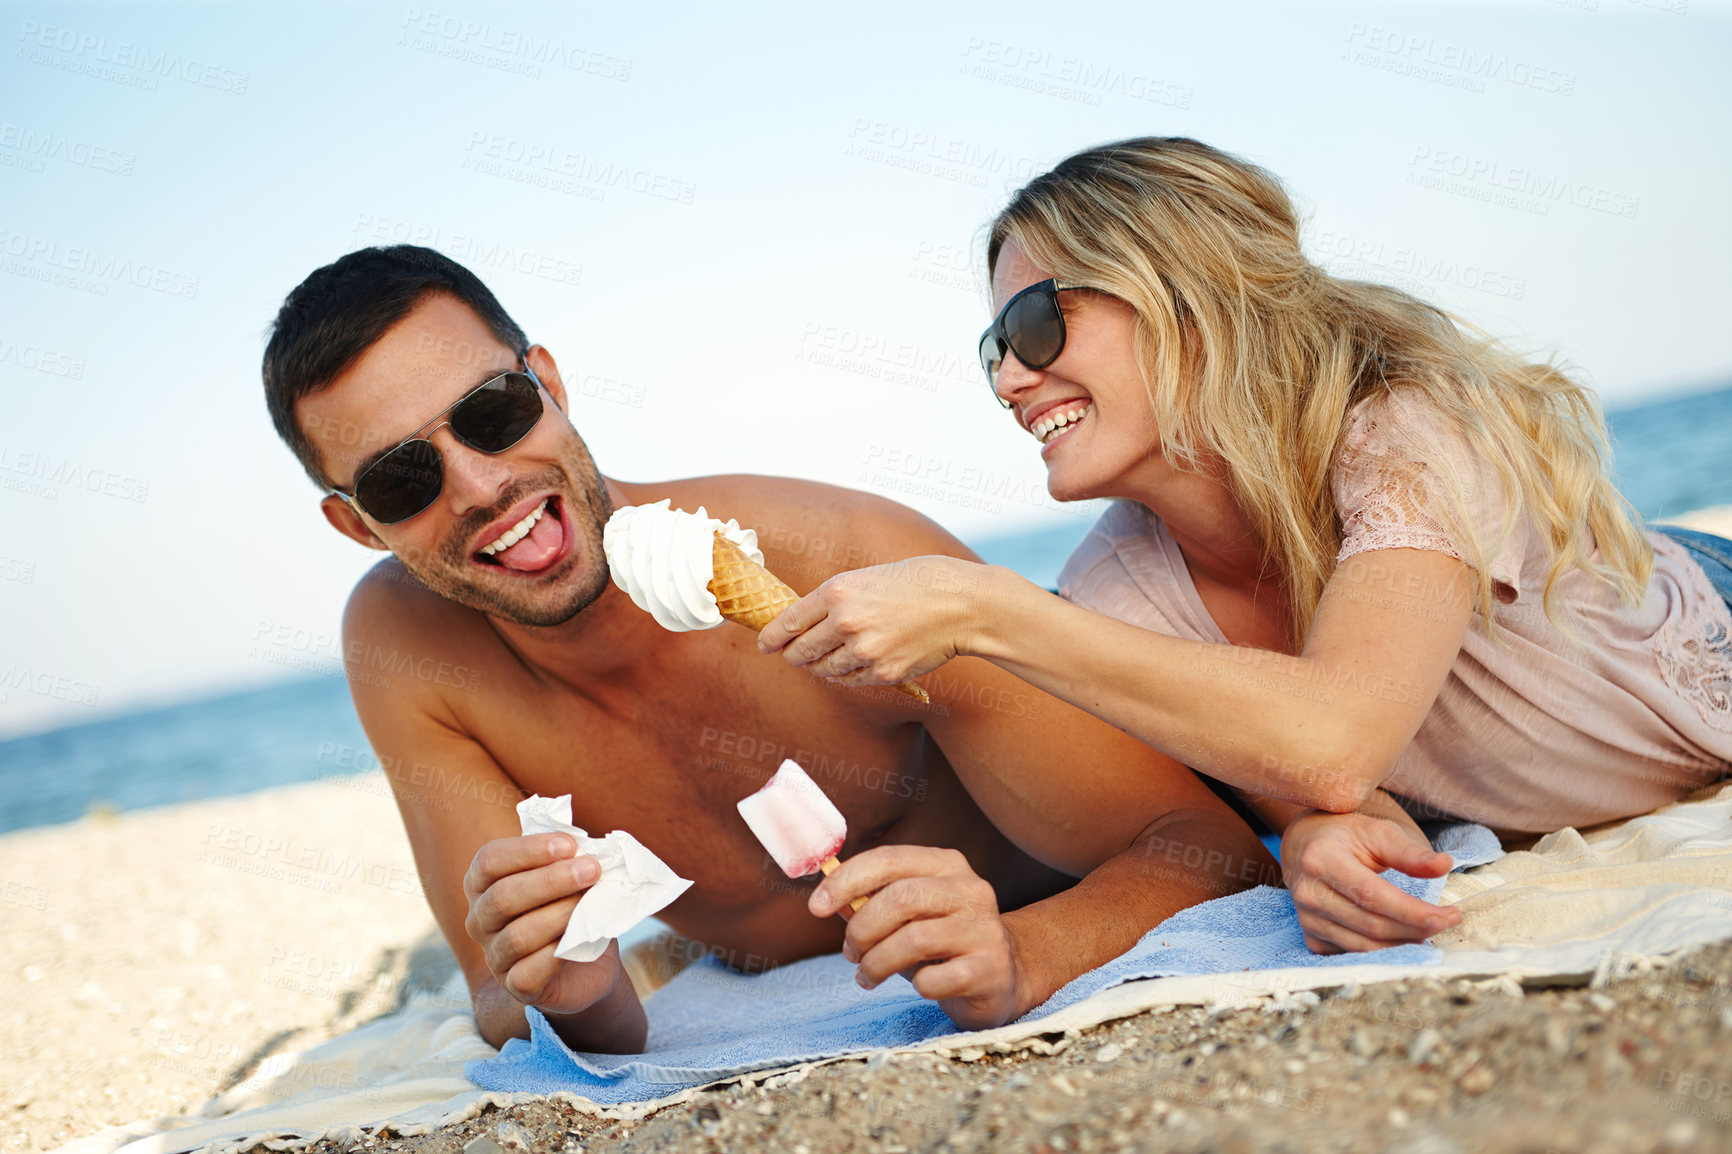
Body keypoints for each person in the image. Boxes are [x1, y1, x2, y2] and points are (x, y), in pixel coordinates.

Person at [259, 244, 1275, 1054]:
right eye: (402, 480)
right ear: (358, 526)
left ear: (551, 385)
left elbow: (1210, 850)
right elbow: (517, 995)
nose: (479, 486)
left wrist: (1022, 950)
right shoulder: (403, 642)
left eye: (493, 412)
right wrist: (576, 990)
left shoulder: (843, 562)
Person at [758, 136, 1732, 957]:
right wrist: (1319, 835)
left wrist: (988, 606)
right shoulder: (1111, 586)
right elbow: (1328, 780)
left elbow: (1334, 736)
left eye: (1035, 322)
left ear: (1187, 295)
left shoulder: (1401, 426)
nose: (1011, 377)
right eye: (994, 351)